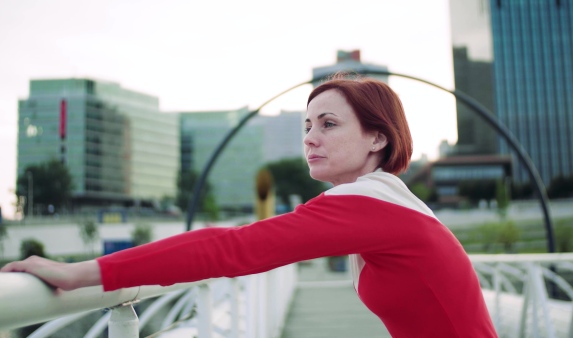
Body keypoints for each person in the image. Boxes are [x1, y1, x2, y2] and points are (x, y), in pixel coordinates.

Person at [1, 74, 497, 337]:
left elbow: (231, 248)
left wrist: (80, 273)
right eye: (307, 126)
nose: (310, 139)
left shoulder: (372, 205)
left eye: (328, 124)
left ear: (376, 139)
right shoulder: (385, 202)